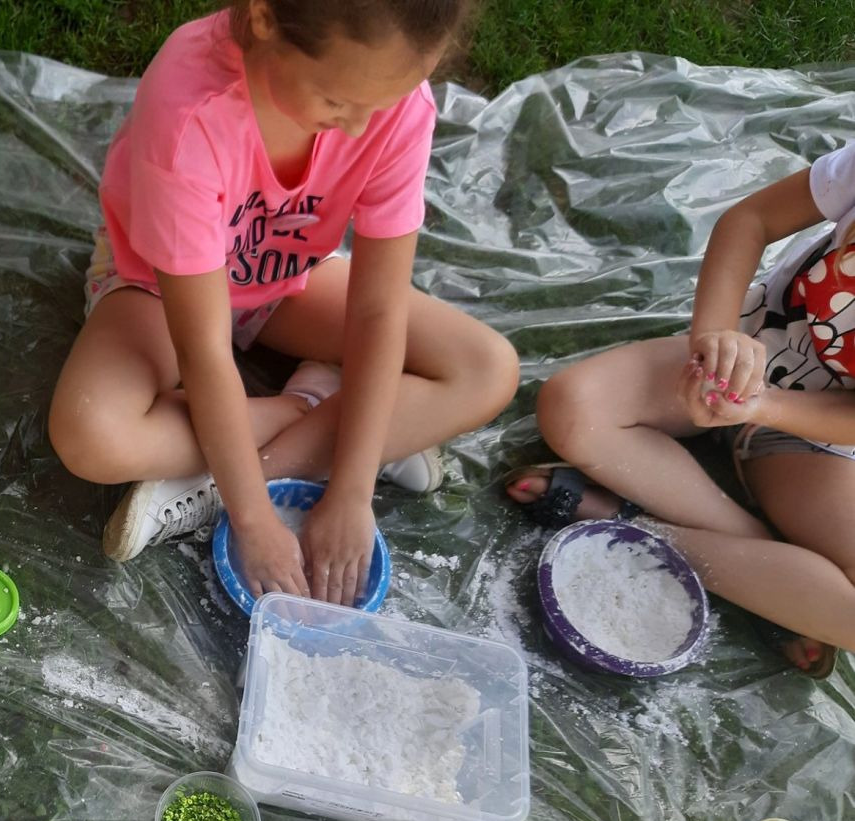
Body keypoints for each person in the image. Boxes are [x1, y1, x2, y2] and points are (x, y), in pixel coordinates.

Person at [49, 0, 517, 604]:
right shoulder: (191, 108)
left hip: (286, 273)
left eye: (381, 104)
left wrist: (351, 493)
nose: (359, 127)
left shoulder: (393, 102)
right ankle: (312, 410)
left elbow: (378, 310)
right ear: (264, 17)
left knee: (486, 368)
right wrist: (253, 519)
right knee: (92, 434)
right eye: (336, 101)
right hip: (157, 289)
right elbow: (203, 348)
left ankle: (219, 483)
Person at [504, 144, 855, 678]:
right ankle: (766, 578)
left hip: (814, 438)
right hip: (736, 353)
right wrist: (713, 338)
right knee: (574, 408)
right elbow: (752, 219)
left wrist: (764, 405)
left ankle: (630, 526)